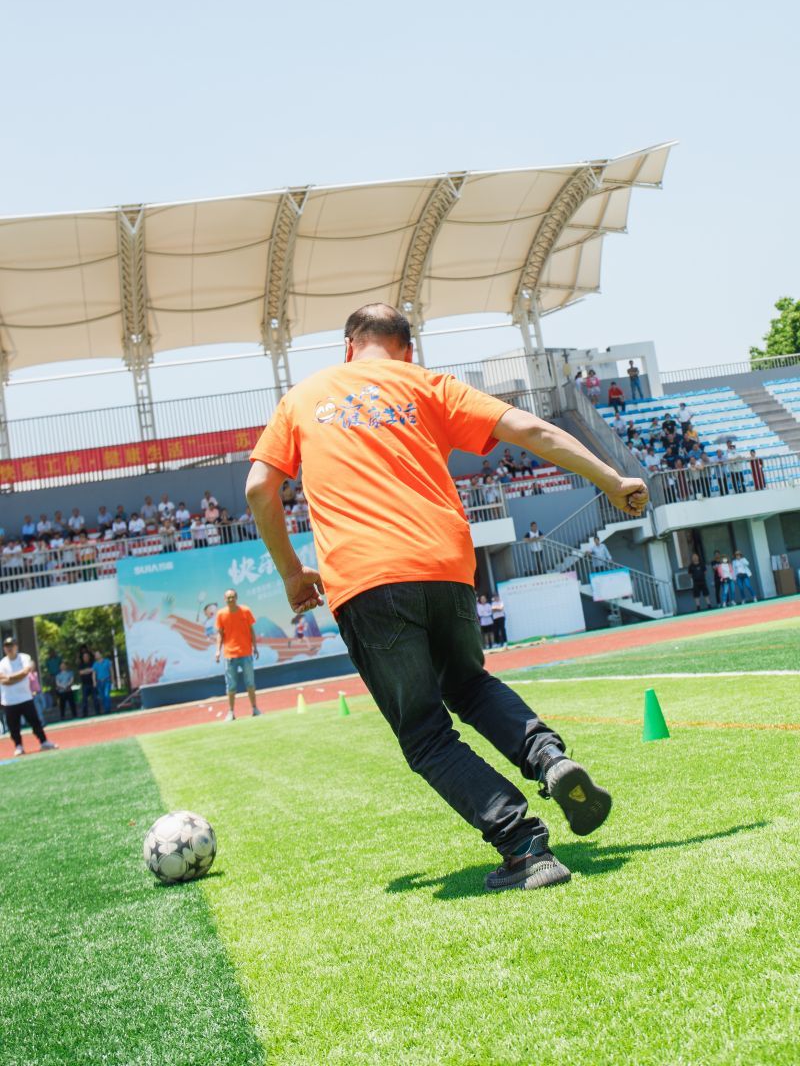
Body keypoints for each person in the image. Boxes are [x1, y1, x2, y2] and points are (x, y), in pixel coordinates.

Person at [246, 303, 647, 893]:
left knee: (425, 731)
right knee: (469, 683)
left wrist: (290, 574)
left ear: (348, 346)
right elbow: (532, 431)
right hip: (446, 565)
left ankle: (525, 847)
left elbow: (260, 487)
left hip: (366, 581)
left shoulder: (304, 397)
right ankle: (548, 759)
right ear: (408, 349)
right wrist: (613, 480)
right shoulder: (429, 384)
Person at [0, 636, 58, 756]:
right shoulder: (2, 663)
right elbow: (2, 680)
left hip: (25, 698)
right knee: (13, 727)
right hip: (9, 701)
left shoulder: (24, 657)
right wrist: (17, 677)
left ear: (16, 646)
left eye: (11, 645)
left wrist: (10, 677)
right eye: (7, 646)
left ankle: (44, 741)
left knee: (35, 722)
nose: (9, 648)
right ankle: (18, 746)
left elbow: (26, 672)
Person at [215, 589, 261, 720]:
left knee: (250, 683)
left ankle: (255, 709)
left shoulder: (245, 611)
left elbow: (251, 630)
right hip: (229, 656)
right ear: (225, 599)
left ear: (237, 598)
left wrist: (255, 647)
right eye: (228, 597)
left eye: (233, 597)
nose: (231, 599)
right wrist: (218, 651)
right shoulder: (221, 614)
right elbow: (220, 634)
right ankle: (231, 712)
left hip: (246, 653)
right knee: (231, 686)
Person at [78, 648, 98, 717]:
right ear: (83, 658)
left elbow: (93, 670)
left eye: (87, 656)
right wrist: (89, 670)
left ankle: (98, 712)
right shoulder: (81, 665)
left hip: (92, 684)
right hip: (85, 685)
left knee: (95, 698)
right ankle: (85, 714)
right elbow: (80, 672)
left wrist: (85, 671)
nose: (85, 658)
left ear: (89, 657)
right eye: (84, 657)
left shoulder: (92, 663)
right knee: (84, 700)